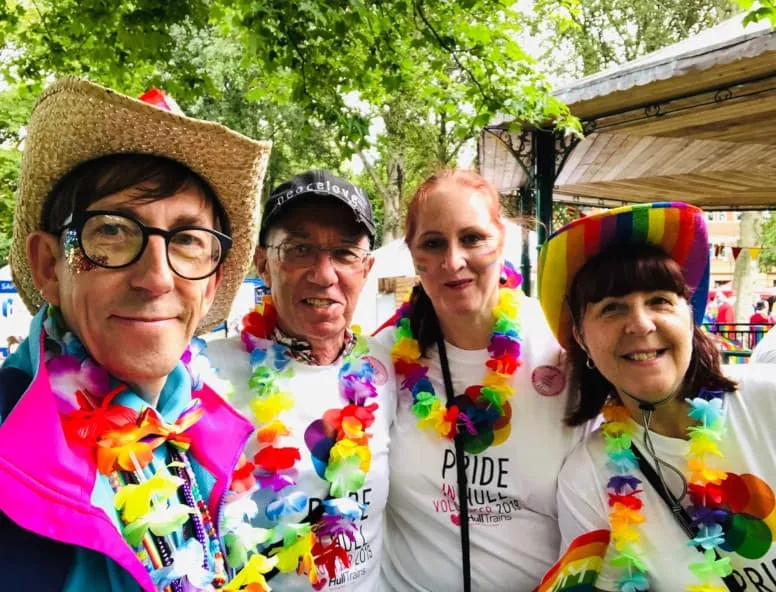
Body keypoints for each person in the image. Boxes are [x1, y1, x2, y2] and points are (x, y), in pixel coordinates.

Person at [0, 78, 277, 590]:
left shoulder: (202, 425)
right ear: (47, 266)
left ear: (212, 281)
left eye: (188, 240)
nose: (157, 278)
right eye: (111, 230)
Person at [536, 202, 776, 591]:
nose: (641, 324)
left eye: (659, 300)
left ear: (690, 315)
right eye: (612, 308)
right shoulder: (589, 478)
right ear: (581, 337)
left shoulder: (768, 401)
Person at [374, 169, 586, 591]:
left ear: (501, 241)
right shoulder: (380, 362)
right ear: (414, 255)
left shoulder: (559, 347)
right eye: (433, 243)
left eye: (472, 238)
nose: (453, 262)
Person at [206, 170, 396, 591]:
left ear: (366, 269)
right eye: (299, 249)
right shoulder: (208, 376)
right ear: (263, 264)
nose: (324, 273)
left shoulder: (388, 368)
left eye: (345, 254)